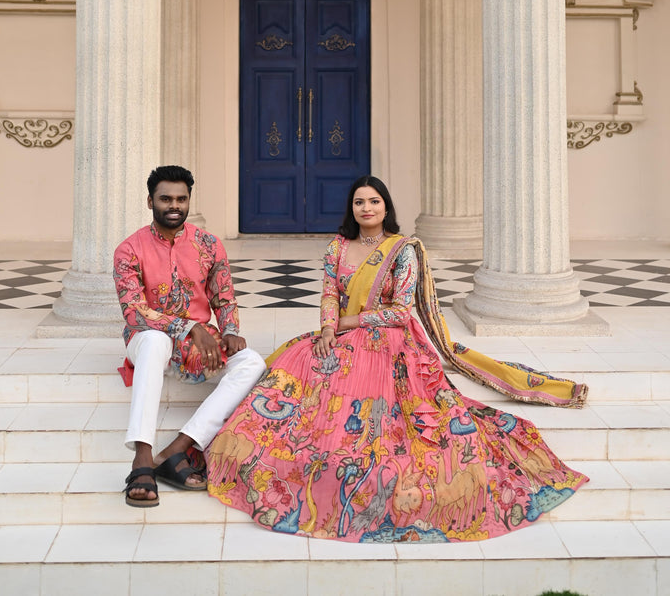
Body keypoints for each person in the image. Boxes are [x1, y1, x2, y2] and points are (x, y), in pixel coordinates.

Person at [205, 175, 588, 542]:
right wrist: (326, 329)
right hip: (338, 332)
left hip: (390, 340)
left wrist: (350, 321)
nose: (366, 207)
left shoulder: (403, 250)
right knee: (295, 362)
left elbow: (401, 312)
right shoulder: (338, 247)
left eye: (374, 201)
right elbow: (328, 294)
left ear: (386, 207)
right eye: (359, 202)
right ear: (350, 208)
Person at [113, 164, 265, 507]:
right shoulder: (129, 249)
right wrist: (189, 327)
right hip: (148, 340)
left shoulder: (209, 244)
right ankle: (142, 456)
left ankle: (178, 448)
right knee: (155, 340)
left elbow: (223, 296)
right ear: (150, 201)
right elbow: (135, 310)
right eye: (165, 198)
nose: (174, 205)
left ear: (189, 201)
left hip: (200, 347)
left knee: (252, 362)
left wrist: (229, 331)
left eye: (181, 199)